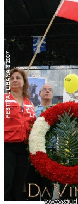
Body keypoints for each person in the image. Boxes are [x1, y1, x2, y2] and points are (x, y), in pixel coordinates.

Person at [4, 68, 36, 201]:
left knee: (19, 186)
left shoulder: (30, 104)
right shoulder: (3, 100)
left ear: (24, 82)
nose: (15, 80)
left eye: (18, 78)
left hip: (24, 149)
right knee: (6, 184)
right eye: (12, 78)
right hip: (6, 148)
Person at [26, 84, 54, 200]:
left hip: (51, 151)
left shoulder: (58, 110)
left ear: (52, 94)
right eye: (44, 90)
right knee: (33, 186)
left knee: (48, 186)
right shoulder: (33, 110)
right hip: (34, 152)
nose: (47, 91)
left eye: (50, 90)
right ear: (39, 94)